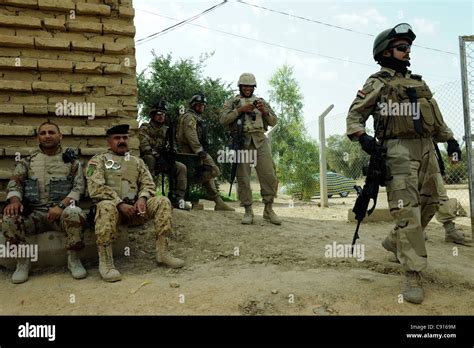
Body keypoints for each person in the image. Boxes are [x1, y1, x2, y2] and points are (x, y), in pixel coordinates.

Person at [346, 23, 461, 304]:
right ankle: (412, 272)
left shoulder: (419, 82)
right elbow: (354, 115)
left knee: (432, 201)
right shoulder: (378, 82)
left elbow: (437, 118)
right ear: (385, 52)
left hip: (427, 150)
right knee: (407, 210)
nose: (407, 52)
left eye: (409, 47)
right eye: (401, 48)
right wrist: (363, 139)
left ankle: (395, 241)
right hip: (397, 151)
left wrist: (451, 141)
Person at [86, 124, 184, 282]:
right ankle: (106, 263)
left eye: (124, 138)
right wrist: (119, 204)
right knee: (105, 206)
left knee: (163, 201)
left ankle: (163, 253)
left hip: (135, 211)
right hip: (113, 213)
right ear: (109, 141)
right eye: (117, 138)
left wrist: (142, 198)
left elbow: (149, 184)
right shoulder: (98, 161)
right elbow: (95, 187)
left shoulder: (137, 162)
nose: (122, 141)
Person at [2, 122, 87, 283]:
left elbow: (78, 189)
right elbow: (15, 184)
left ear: (60, 136)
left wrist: (61, 206)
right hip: (34, 215)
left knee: (75, 213)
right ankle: (22, 262)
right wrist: (14, 201)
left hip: (61, 215)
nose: (47, 136)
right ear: (38, 137)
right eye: (43, 133)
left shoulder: (73, 163)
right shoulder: (27, 162)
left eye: (51, 132)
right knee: (8, 217)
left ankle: (74, 260)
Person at [220, 73, 281, 225]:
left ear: (254, 87)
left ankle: (268, 209)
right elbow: (223, 120)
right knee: (243, 178)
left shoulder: (261, 102)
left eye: (250, 86)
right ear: (240, 87)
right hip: (242, 142)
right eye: (244, 86)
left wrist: (264, 111)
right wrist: (240, 110)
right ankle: (248, 210)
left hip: (260, 140)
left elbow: (274, 121)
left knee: (269, 175)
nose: (247, 89)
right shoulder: (232, 102)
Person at [176, 94, 234, 211]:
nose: (201, 107)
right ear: (193, 105)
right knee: (214, 170)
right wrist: (199, 150)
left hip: (193, 152)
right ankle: (189, 183)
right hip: (189, 153)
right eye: (198, 105)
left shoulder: (196, 117)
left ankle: (218, 202)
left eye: (203, 105)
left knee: (208, 172)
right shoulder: (189, 117)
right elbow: (190, 135)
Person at [139, 100, 191, 210]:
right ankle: (149, 197)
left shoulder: (168, 130)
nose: (161, 116)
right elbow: (144, 145)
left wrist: (171, 154)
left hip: (164, 159)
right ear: (152, 115)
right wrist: (157, 156)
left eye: (163, 114)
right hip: (149, 158)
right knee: (150, 159)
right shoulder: (145, 127)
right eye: (158, 114)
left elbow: (174, 147)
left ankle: (178, 199)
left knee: (181, 167)